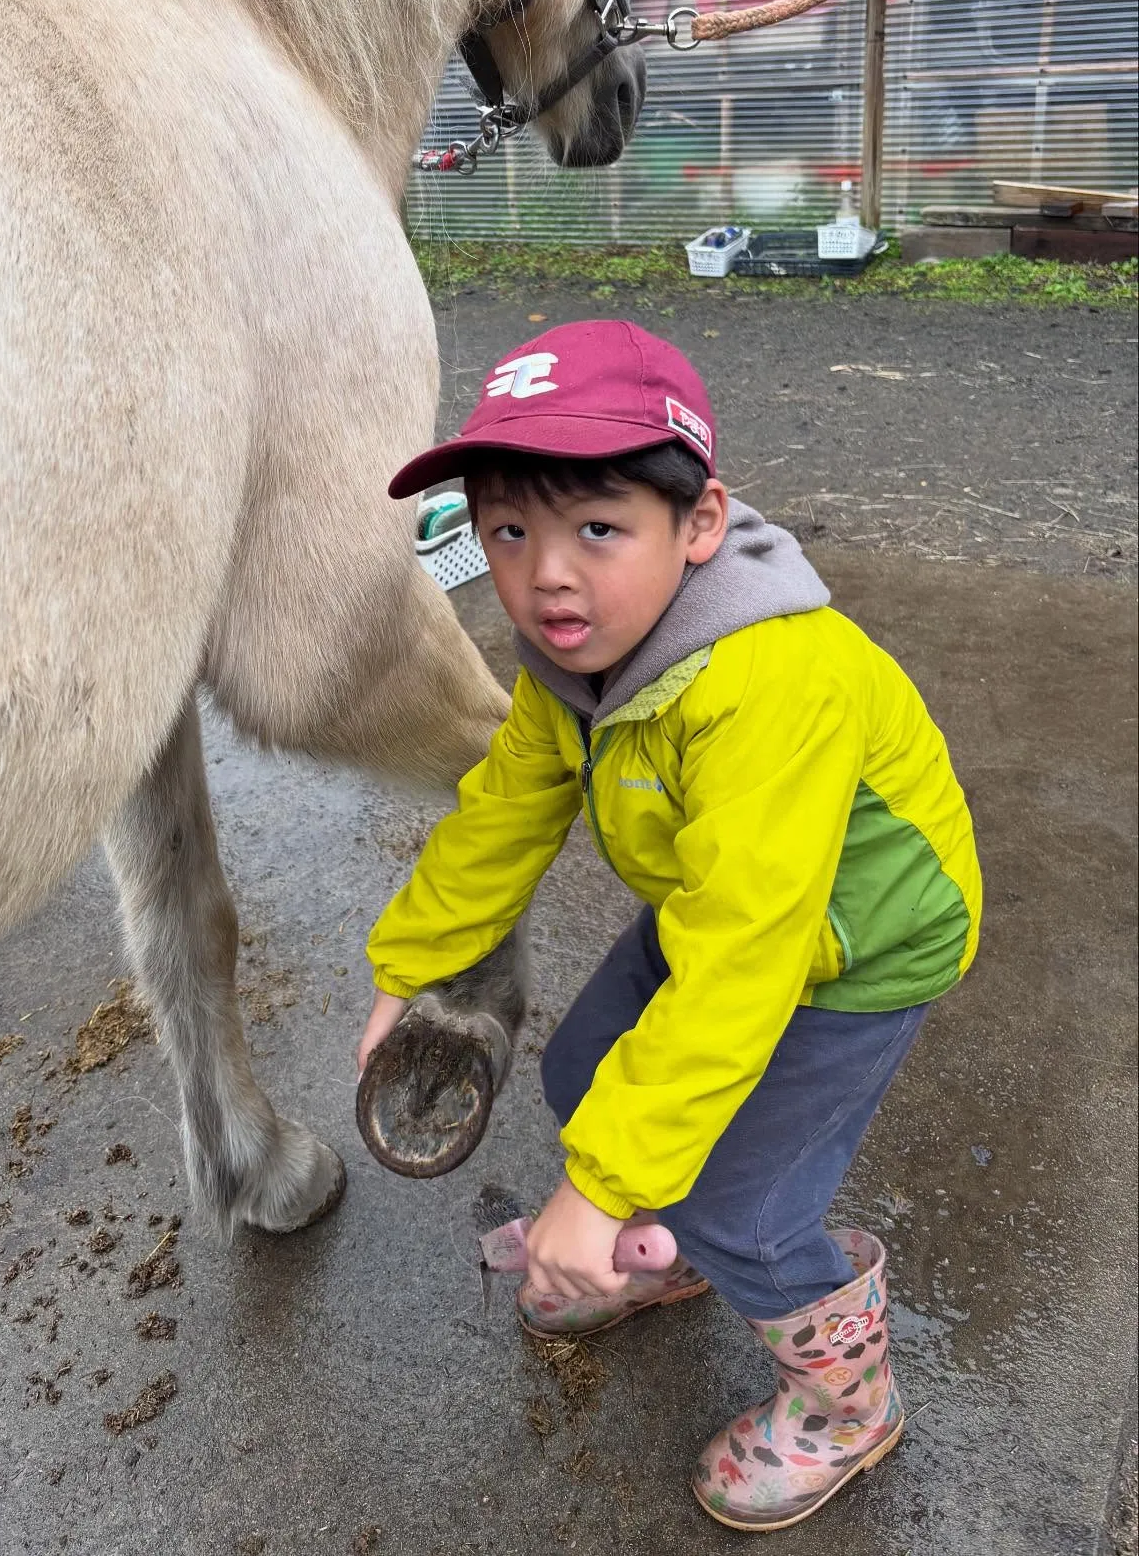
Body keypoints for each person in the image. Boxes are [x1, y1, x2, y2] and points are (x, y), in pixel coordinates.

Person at [356, 319, 981, 1532]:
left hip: (853, 948)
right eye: (508, 530)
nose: (545, 577)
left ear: (697, 526)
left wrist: (598, 1188)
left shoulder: (772, 685)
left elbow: (749, 956)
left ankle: (848, 1398)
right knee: (587, 1068)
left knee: (745, 1202)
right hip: (723, 906)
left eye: (598, 527)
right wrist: (412, 963)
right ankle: (664, 1249)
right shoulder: (573, 660)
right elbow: (503, 809)